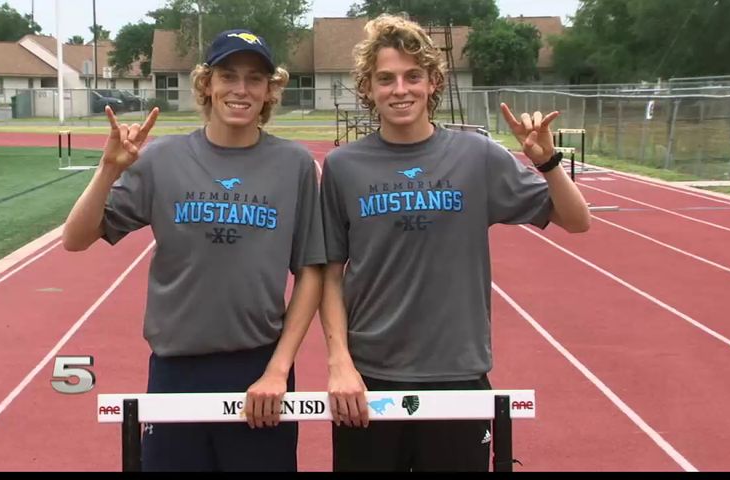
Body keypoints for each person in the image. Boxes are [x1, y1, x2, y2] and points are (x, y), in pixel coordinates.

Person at [318, 14, 591, 472]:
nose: (400, 89)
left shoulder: (476, 156)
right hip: (369, 377)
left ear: (433, 82)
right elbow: (329, 272)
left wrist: (548, 163)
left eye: (413, 76)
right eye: (386, 79)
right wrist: (339, 362)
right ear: (368, 87)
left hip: (458, 373)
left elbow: (577, 221)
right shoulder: (344, 166)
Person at [62, 28, 326, 472]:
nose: (241, 89)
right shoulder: (163, 158)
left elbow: (311, 271)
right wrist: (107, 170)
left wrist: (279, 369)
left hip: (260, 371)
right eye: (228, 76)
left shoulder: (294, 164)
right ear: (206, 84)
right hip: (176, 369)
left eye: (255, 79)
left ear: (269, 90)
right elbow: (75, 238)